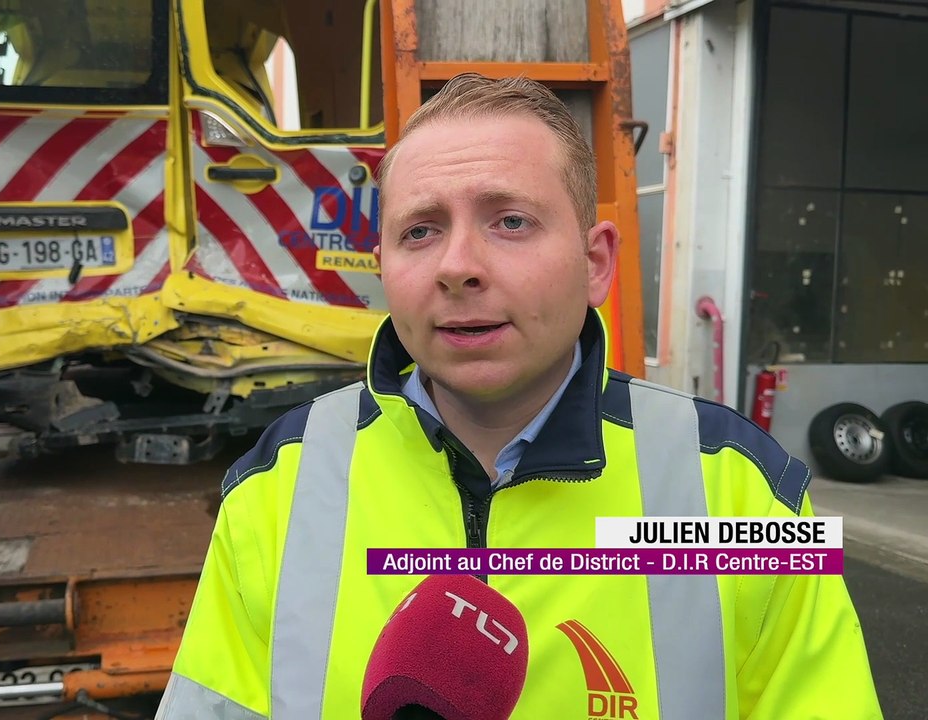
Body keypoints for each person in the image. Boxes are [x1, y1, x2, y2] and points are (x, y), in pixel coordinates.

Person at [155, 73, 882, 719]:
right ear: (384, 267)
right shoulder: (277, 488)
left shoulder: (747, 493)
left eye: (510, 221)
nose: (458, 266)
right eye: (421, 230)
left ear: (596, 263)